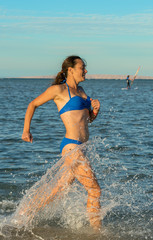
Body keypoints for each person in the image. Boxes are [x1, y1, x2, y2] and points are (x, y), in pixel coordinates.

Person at [21, 56, 101, 229]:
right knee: (95, 190)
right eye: (82, 67)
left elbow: (87, 121)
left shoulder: (81, 90)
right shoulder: (59, 90)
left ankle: (25, 214)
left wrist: (95, 111)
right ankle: (97, 232)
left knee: (57, 189)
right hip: (71, 147)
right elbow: (32, 104)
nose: (85, 70)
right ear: (70, 70)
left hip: (81, 148)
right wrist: (26, 130)